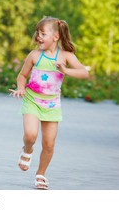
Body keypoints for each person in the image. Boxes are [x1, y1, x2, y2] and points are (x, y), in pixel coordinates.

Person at [10, 16, 89, 189]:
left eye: (43, 33)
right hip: (32, 100)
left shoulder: (66, 56)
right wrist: (21, 88)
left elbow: (84, 73)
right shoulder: (34, 55)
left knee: (49, 143)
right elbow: (22, 75)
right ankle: (28, 149)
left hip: (52, 105)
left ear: (56, 37)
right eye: (37, 33)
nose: (38, 36)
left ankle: (41, 174)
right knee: (31, 135)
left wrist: (66, 70)